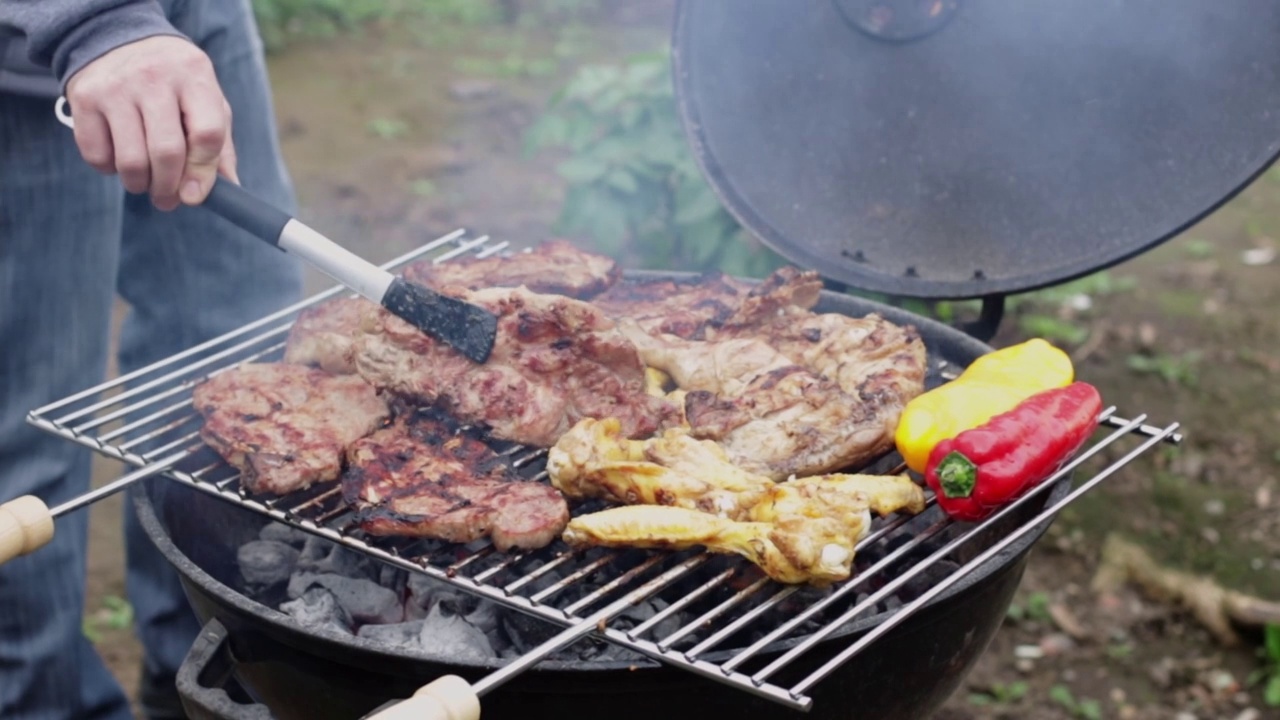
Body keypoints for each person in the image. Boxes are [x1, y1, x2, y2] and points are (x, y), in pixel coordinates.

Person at [0, 1, 304, 718]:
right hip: (28, 53)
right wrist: (90, 22)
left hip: (186, 18)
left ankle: (193, 692)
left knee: (240, 357)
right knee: (29, 443)